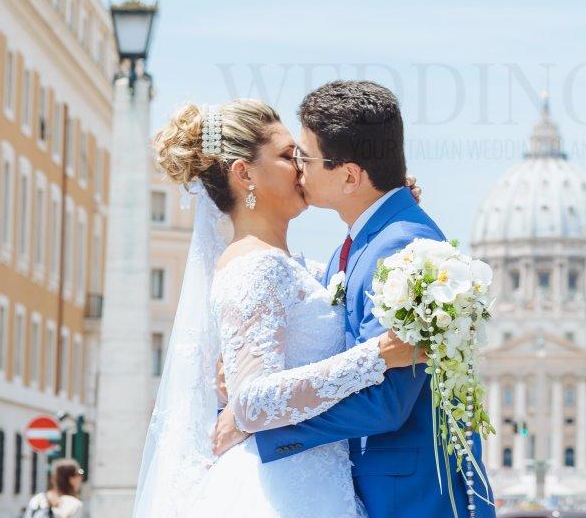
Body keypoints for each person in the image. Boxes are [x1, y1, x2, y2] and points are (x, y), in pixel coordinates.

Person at [211, 81, 495, 518]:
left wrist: (262, 426)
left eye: (304, 157)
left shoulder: (399, 247)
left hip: (404, 496)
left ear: (349, 175)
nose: (299, 169)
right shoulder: (362, 244)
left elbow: (386, 402)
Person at [132, 97, 427, 517]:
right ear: (245, 174)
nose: (303, 165)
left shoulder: (299, 266)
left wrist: (382, 204)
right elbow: (252, 402)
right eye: (289, 156)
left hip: (319, 481)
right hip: (282, 489)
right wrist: (376, 355)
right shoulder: (255, 266)